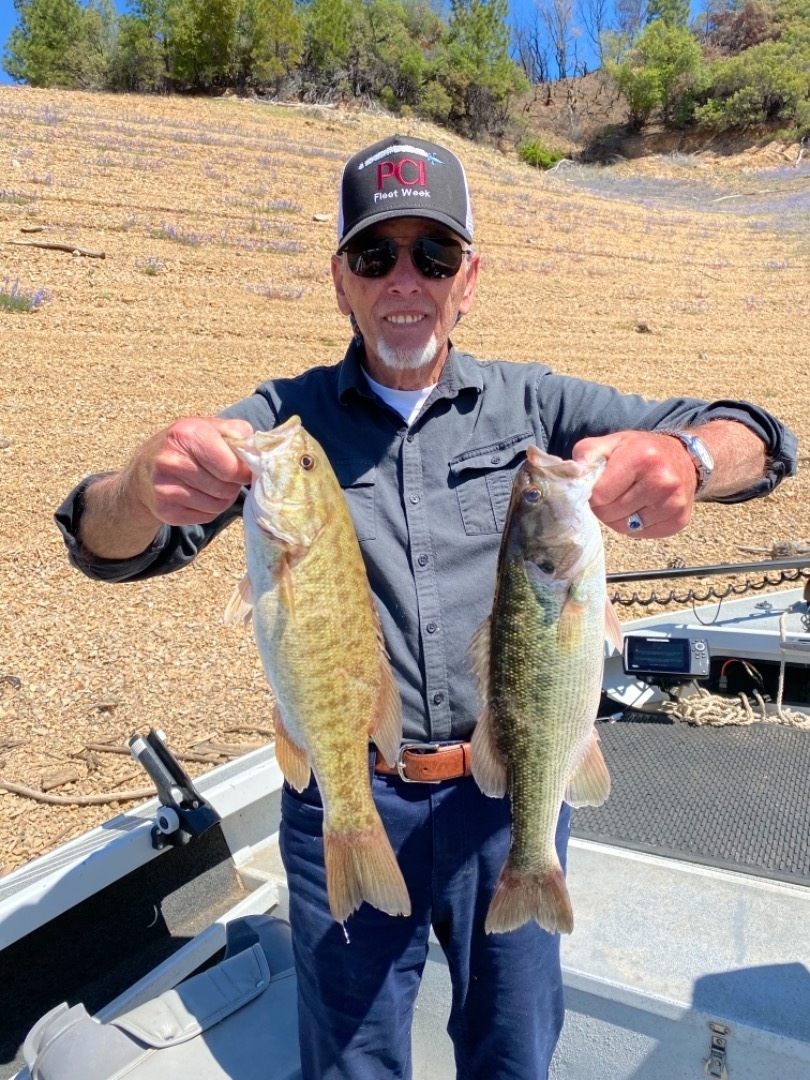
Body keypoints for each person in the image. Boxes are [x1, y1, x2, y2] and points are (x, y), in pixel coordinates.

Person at [56, 133, 797, 1080]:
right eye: (376, 254)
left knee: (513, 1054)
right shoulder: (282, 427)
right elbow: (106, 547)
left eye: (433, 255)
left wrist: (692, 459)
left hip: (508, 797)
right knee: (350, 1063)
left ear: (468, 278)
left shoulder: (539, 407)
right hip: (345, 797)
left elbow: (762, 440)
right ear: (341, 281)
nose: (405, 279)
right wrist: (138, 484)